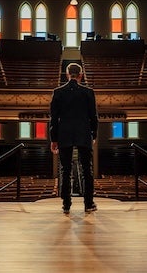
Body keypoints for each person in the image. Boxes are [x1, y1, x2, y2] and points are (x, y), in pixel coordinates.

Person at [49, 63, 99, 214]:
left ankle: (66, 205)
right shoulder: (88, 92)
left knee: (65, 170)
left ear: (67, 74)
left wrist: (53, 138)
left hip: (64, 135)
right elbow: (93, 117)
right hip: (83, 134)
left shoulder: (58, 92)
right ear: (81, 75)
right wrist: (94, 134)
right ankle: (88, 204)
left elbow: (54, 118)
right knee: (87, 170)